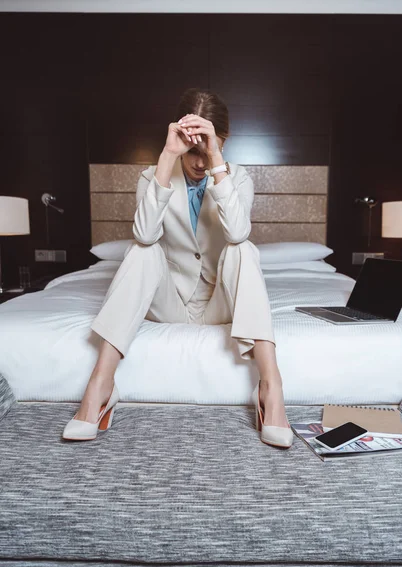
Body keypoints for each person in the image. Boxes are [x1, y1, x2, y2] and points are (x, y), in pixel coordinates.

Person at [62, 88, 293, 448]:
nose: (199, 162)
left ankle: (270, 385)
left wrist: (216, 159)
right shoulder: (153, 177)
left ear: (223, 141)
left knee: (243, 248)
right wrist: (168, 157)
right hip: (169, 303)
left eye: (208, 150)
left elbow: (237, 231)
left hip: (219, 305)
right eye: (192, 151)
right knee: (142, 249)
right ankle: (101, 385)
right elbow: (144, 233)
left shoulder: (238, 179)